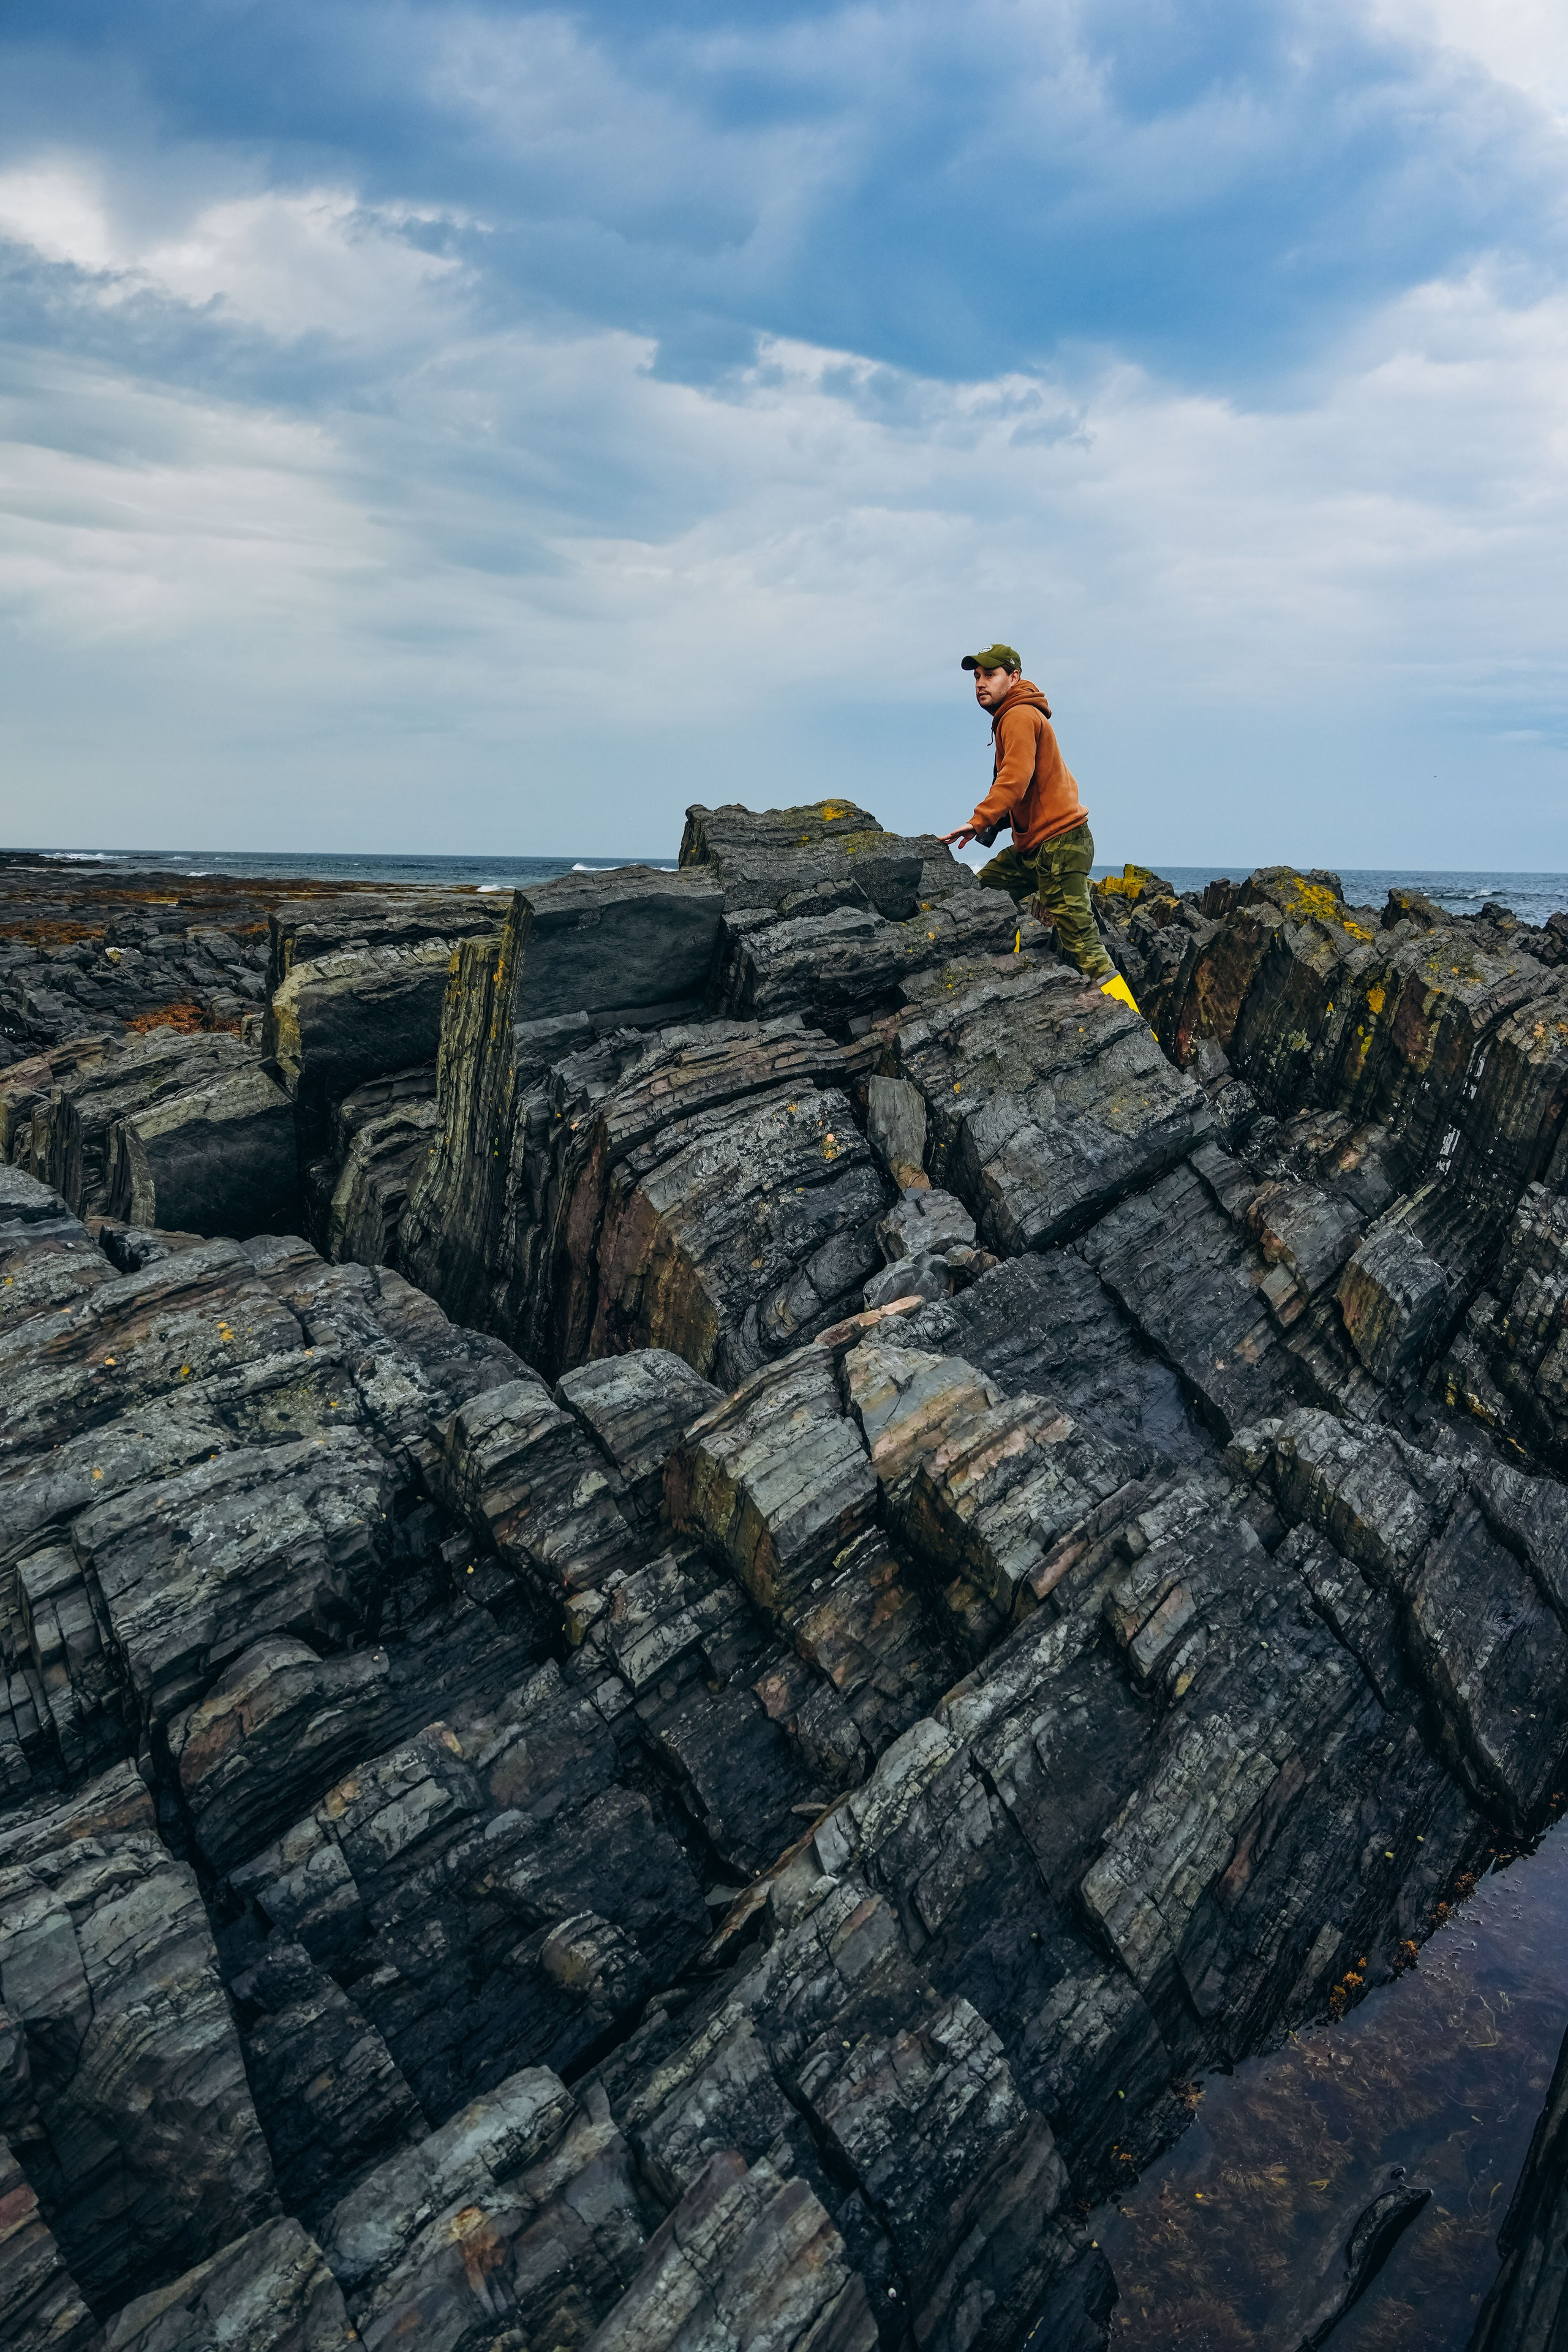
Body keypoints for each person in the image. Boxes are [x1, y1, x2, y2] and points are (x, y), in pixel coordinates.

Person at [940, 643, 1139, 1012]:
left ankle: (1137, 1027)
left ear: (1014, 677)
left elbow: (1015, 779)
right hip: (1035, 849)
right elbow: (1026, 791)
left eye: (990, 675)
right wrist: (986, 827)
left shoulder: (1018, 715)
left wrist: (978, 819)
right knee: (985, 897)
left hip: (1060, 846)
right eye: (977, 677)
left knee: (1085, 945)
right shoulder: (1013, 716)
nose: (981, 683)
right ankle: (1013, 975)